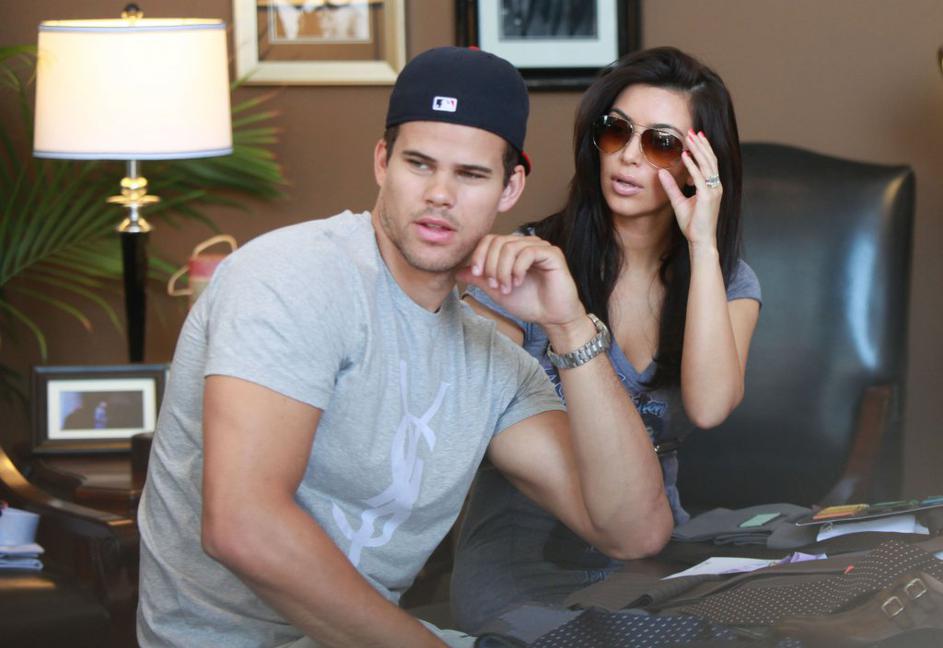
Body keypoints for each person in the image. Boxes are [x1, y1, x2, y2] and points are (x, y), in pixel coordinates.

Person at [136, 46, 671, 648]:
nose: (440, 194)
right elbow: (242, 526)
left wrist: (570, 326)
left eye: (470, 175)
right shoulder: (294, 277)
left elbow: (633, 530)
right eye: (419, 164)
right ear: (382, 162)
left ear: (510, 186)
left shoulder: (491, 362)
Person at [450, 46, 763, 633]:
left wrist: (703, 244)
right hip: (525, 562)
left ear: (698, 166)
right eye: (617, 131)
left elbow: (710, 405)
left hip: (654, 558)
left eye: (661, 143)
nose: (629, 156)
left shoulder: (726, 280)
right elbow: (463, 414)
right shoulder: (527, 269)